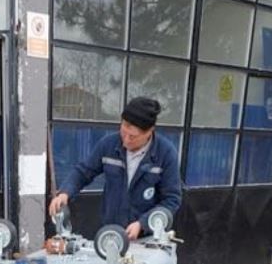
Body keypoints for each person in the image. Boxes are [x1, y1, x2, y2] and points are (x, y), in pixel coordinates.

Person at [49, 97, 182, 240]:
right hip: (109, 233)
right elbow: (83, 172)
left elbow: (171, 200)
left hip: (146, 238)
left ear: (149, 131)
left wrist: (142, 224)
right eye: (123, 132)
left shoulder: (166, 154)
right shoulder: (109, 145)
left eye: (133, 136)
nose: (126, 140)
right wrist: (65, 193)